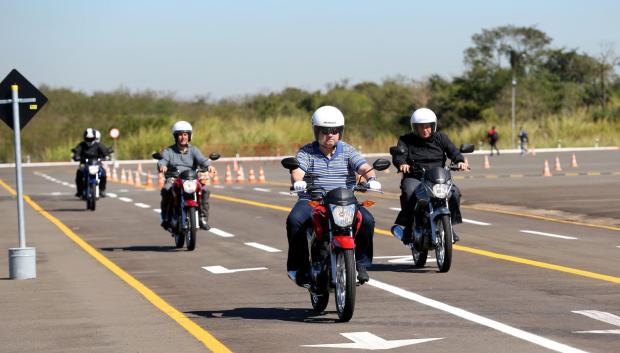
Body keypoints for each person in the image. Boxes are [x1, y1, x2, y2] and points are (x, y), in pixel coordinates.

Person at [285, 106, 381, 285]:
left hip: (344, 201)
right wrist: (298, 181)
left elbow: (362, 166)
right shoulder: (306, 152)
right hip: (313, 200)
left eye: (334, 131)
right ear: (316, 131)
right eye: (325, 131)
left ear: (340, 132)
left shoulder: (348, 150)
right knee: (294, 221)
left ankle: (360, 264)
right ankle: (300, 268)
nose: (330, 135)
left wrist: (372, 178)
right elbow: (297, 170)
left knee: (367, 220)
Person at [392, 108, 469, 245]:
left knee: (454, 193)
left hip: (438, 177)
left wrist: (460, 161)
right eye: (421, 127)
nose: (425, 130)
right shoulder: (406, 140)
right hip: (415, 177)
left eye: (428, 126)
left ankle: (448, 226)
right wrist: (402, 164)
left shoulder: (441, 138)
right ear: (414, 127)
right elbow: (399, 155)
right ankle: (409, 228)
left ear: (433, 126)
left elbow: (453, 151)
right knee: (409, 192)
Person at [157, 120, 215, 230]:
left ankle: (202, 218)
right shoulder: (169, 151)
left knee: (205, 191)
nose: (183, 137)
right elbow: (163, 160)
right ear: (175, 136)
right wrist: (162, 166)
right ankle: (165, 218)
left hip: (191, 179)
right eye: (180, 135)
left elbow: (202, 160)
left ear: (189, 136)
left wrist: (209, 166)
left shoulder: (194, 150)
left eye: (185, 134)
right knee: (166, 189)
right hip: (174, 178)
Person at [72, 128, 113, 198]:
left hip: (96, 164)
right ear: (85, 138)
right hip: (84, 164)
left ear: (94, 138)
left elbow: (105, 151)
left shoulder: (98, 145)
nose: (89, 140)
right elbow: (77, 152)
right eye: (88, 139)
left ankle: (101, 190)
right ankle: (80, 191)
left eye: (91, 139)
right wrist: (76, 156)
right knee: (79, 173)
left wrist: (107, 156)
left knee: (103, 173)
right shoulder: (81, 145)